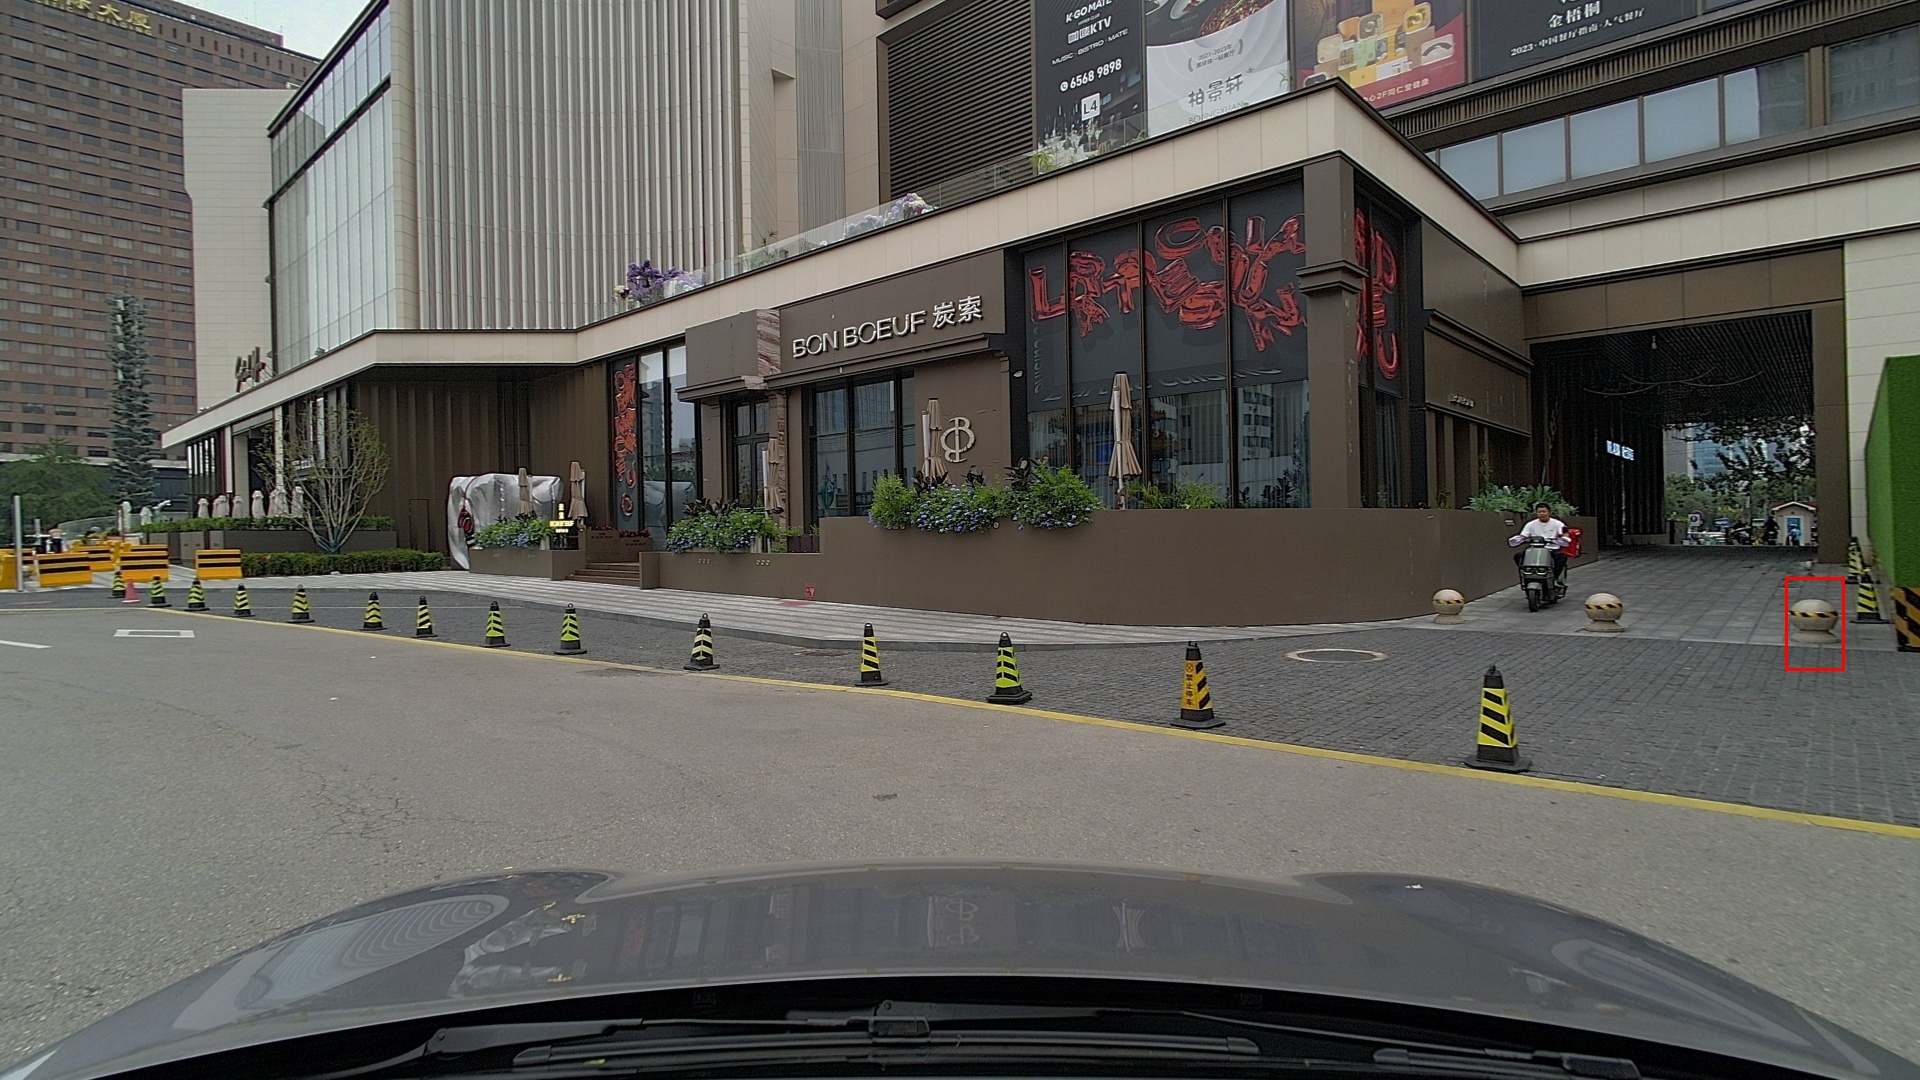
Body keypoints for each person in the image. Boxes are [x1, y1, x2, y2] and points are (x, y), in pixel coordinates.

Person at [1510, 502, 1570, 584]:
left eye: (1544, 511)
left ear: (1549, 512)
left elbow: (1565, 533)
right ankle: (1527, 576)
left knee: (1561, 556)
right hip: (1534, 550)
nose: (1542, 514)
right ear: (1536, 513)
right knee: (1518, 556)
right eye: (1539, 512)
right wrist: (1520, 539)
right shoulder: (1530, 524)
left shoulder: (1558, 523)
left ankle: (1554, 577)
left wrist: (1564, 538)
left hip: (1551, 549)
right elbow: (1523, 535)